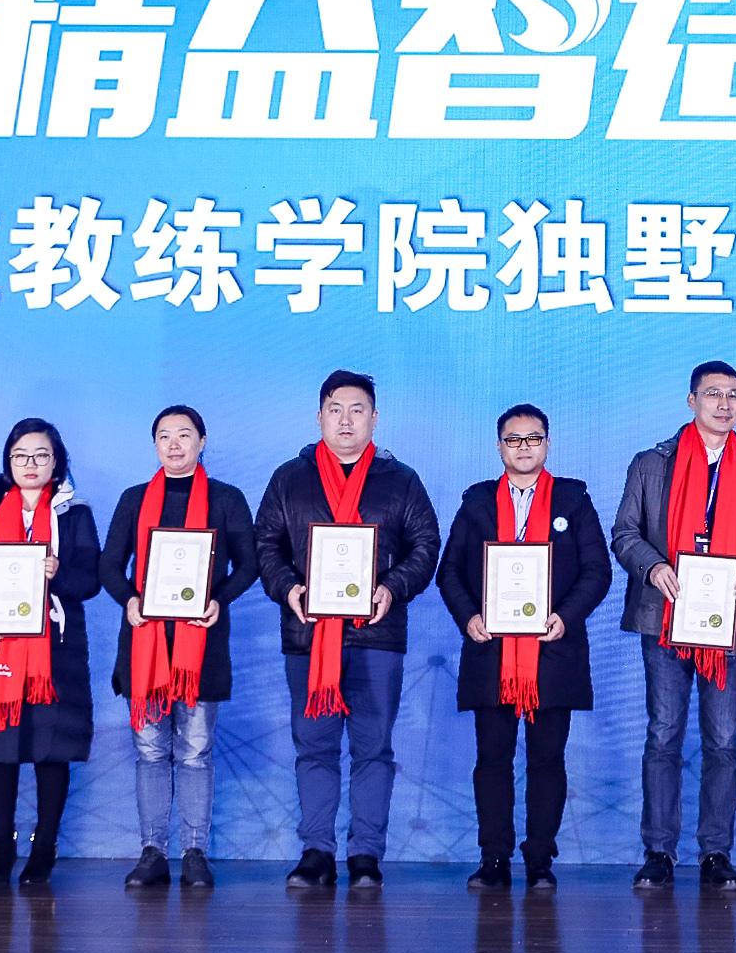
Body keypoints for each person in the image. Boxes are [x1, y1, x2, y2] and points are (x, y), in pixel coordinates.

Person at [255, 370, 441, 889]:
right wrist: (289, 589)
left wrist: (392, 588)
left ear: (374, 418)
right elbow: (265, 545)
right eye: (335, 409)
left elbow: (426, 544)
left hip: (377, 636)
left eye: (357, 410)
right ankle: (316, 850)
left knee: (373, 748)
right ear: (319, 416)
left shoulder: (401, 479)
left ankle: (365, 855)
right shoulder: (289, 479)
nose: (345, 419)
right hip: (307, 637)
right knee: (313, 746)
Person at [610, 360, 736, 892]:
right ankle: (658, 851)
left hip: (727, 622)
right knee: (663, 734)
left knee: (723, 741)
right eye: (713, 393)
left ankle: (716, 853)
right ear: (692, 401)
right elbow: (624, 532)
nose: (724, 404)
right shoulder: (651, 464)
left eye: (733, 394)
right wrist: (653, 566)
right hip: (665, 616)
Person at [435, 404, 614, 891]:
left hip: (553, 652)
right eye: (513, 439)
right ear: (499, 447)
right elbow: (449, 572)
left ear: (548, 444)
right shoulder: (476, 502)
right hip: (490, 652)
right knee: (492, 761)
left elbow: (598, 571)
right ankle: (493, 858)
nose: (524, 447)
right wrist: (469, 617)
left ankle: (539, 860)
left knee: (546, 760)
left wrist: (565, 617)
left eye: (533, 438)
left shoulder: (573, 500)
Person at [101, 404, 259, 890]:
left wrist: (217, 600)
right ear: (154, 445)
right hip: (145, 644)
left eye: (184, 434)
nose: (174, 444)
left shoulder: (226, 499)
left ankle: (194, 853)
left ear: (202, 442)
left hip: (200, 646)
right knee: (150, 753)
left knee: (194, 754)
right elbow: (109, 566)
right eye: (164, 435)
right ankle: (152, 853)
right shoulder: (133, 500)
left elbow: (249, 565)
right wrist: (129, 600)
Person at [0, 419, 101, 887]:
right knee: (0, 749)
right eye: (20, 455)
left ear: (58, 462)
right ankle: (1, 850)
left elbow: (91, 581)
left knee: (51, 750)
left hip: (56, 648)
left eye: (40, 455)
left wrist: (58, 572)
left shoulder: (74, 515)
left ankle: (44, 847)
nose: (30, 464)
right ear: (7, 462)